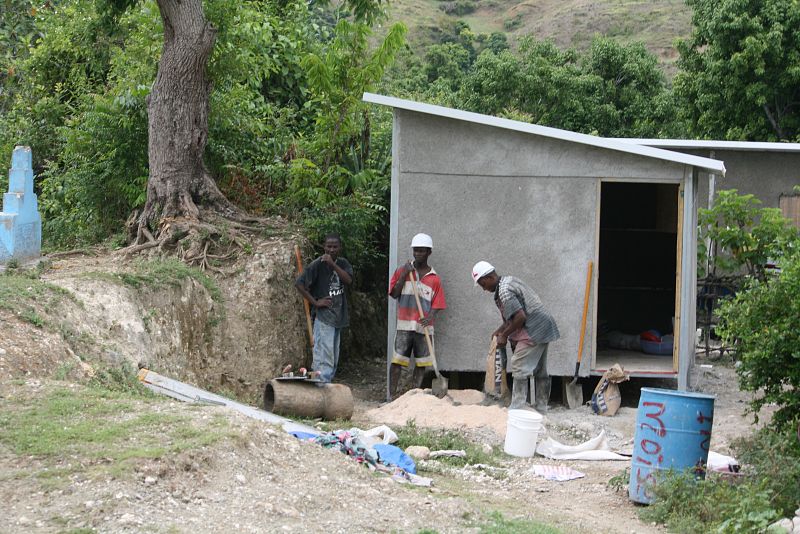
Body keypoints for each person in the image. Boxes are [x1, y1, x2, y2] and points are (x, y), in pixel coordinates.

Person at [471, 261, 560, 412]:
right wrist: (500, 330)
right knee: (540, 370)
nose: (484, 289)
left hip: (534, 328)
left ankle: (517, 408)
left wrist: (504, 335)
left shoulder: (505, 291)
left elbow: (520, 317)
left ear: (490, 277)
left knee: (519, 366)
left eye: (482, 284)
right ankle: (540, 407)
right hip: (543, 325)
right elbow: (512, 317)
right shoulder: (509, 281)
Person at [388, 233, 446, 399]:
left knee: (421, 364)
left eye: (422, 251)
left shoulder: (434, 278)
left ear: (429, 252)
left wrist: (430, 316)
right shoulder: (402, 270)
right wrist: (404, 274)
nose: (418, 254)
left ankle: (414, 397)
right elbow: (394, 294)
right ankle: (391, 397)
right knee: (397, 361)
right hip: (404, 326)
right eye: (416, 251)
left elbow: (438, 303)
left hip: (424, 327)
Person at [295, 234, 353, 383]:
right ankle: (321, 385)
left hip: (338, 317)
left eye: (335, 247)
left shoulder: (343, 263)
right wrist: (315, 302)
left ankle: (325, 383)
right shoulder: (317, 264)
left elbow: (348, 280)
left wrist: (333, 265)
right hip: (324, 317)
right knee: (324, 355)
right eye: (329, 246)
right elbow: (299, 284)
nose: (331, 249)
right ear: (324, 247)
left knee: (333, 354)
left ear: (340, 248)